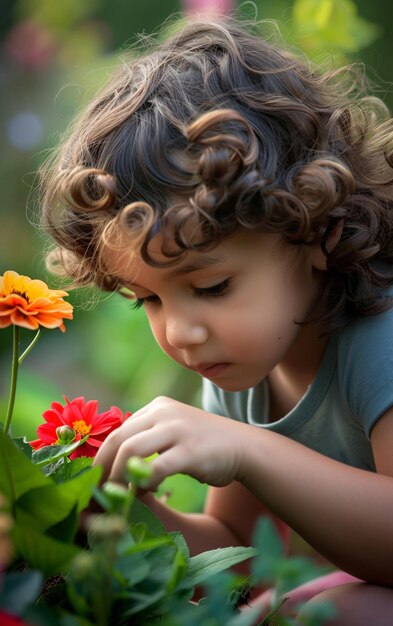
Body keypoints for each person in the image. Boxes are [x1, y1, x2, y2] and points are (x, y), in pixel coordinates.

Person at [39, 17, 393, 624]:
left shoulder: (378, 337)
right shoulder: (244, 358)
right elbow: (244, 556)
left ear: (316, 228)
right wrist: (114, 514)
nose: (179, 332)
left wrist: (247, 450)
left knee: (332, 611)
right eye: (147, 299)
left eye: (211, 286)